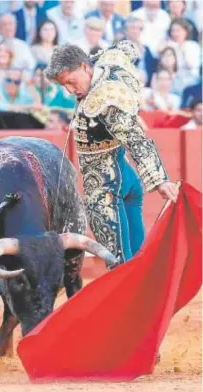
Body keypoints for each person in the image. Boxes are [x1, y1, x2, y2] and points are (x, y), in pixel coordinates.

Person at [46, 40, 179, 264]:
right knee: (139, 260)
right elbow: (127, 47)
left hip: (105, 188)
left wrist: (159, 180)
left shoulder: (105, 100)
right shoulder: (108, 62)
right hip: (125, 178)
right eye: (64, 85)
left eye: (71, 82)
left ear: (84, 67)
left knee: (120, 266)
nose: (69, 90)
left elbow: (135, 139)